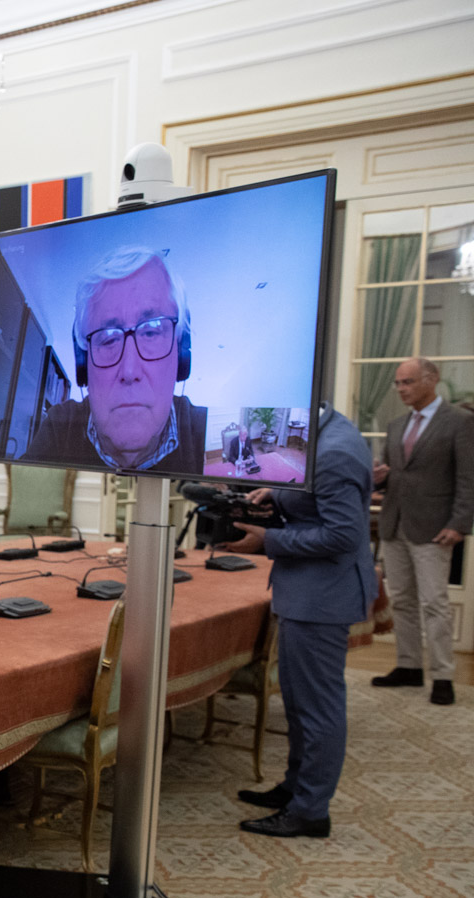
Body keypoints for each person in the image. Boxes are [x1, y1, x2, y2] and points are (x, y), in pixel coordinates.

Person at [221, 403, 378, 839]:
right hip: (307, 593)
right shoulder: (320, 433)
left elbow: (342, 534)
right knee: (298, 702)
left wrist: (269, 539)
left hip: (322, 598)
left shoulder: (334, 452)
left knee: (318, 709)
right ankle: (297, 788)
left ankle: (310, 811)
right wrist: (276, 494)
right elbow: (316, 502)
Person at [23, 248, 207, 474]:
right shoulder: (59, 426)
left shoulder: (206, 432)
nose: (129, 371)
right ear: (83, 363)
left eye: (151, 332)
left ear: (181, 354)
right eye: (108, 339)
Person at [371, 356, 473, 705]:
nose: (401, 389)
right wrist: (380, 479)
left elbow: (468, 479)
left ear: (432, 379)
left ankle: (443, 676)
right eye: (398, 383)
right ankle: (409, 666)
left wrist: (459, 524)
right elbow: (394, 474)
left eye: (408, 382)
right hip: (394, 523)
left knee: (434, 603)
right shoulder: (396, 424)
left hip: (435, 528)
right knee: (401, 601)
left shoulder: (460, 421)